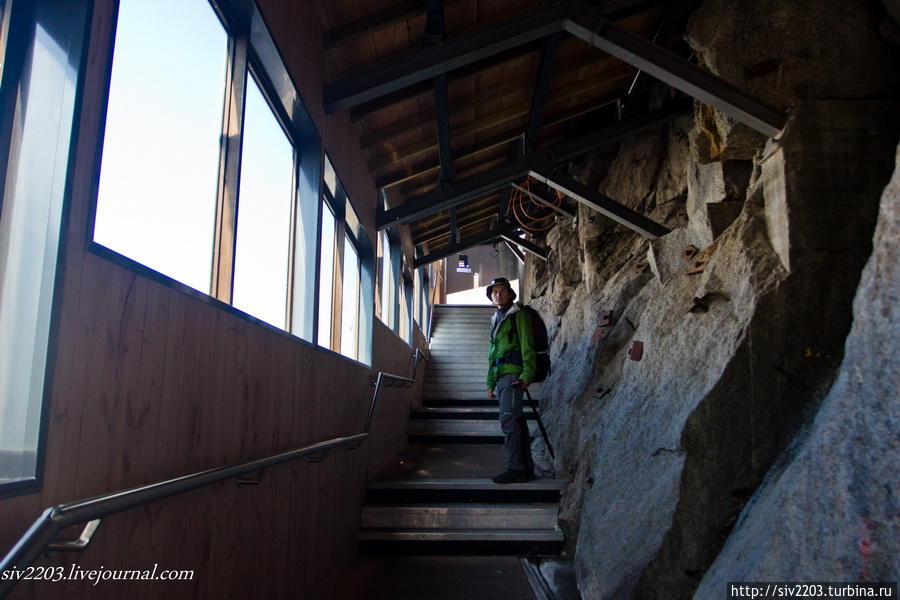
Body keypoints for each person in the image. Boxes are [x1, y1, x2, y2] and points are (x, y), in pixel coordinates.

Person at [485, 277, 536, 484]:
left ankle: (515, 468)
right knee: (516, 421)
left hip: (514, 375)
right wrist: (490, 382)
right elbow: (492, 353)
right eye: (495, 292)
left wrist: (527, 375)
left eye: (502, 291)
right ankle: (526, 468)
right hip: (501, 376)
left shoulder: (518, 315)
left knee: (508, 420)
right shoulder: (496, 318)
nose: (498, 295)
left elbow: (527, 345)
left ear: (510, 294)